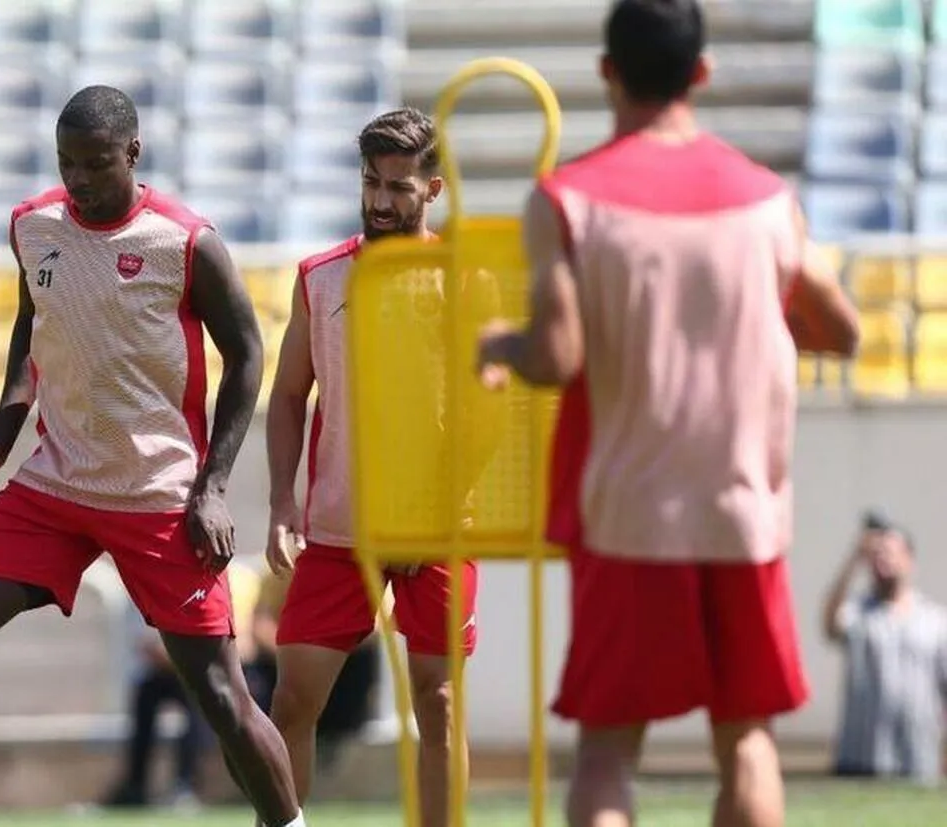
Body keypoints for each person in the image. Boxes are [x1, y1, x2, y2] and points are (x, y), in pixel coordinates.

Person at [475, 2, 860, 827]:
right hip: (743, 510)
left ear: (607, 72)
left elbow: (558, 355)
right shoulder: (768, 200)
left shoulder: (566, 200)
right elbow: (843, 331)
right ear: (702, 72)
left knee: (608, 749)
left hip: (627, 513)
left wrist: (501, 344)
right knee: (747, 740)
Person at [0, 85, 304, 827]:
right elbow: (32, 327)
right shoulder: (34, 226)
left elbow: (247, 354)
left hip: (158, 495)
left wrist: (212, 486)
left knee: (220, 693)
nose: (78, 178)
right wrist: (1, 440)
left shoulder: (186, 241)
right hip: (56, 486)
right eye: (67, 163)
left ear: (133, 153)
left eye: (95, 162)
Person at [265, 107, 477, 827]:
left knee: (437, 702)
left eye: (398, 186)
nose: (381, 200)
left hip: (439, 529)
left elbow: (488, 415)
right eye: (370, 183)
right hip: (337, 527)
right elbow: (288, 396)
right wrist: (281, 502)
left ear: (433, 189)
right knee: (292, 700)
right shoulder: (321, 278)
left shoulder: (465, 281)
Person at [103, 559, 277, 810]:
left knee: (203, 695)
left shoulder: (240, 579)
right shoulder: (168, 578)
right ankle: (135, 784)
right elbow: (151, 647)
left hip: (232, 670)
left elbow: (245, 646)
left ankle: (187, 785)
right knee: (148, 691)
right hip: (183, 669)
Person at [822, 511, 947, 786]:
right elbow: (829, 624)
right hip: (861, 758)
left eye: (890, 552)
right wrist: (854, 558)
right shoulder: (857, 613)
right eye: (876, 554)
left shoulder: (936, 620)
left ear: (909, 558)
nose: (883, 559)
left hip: (917, 760)